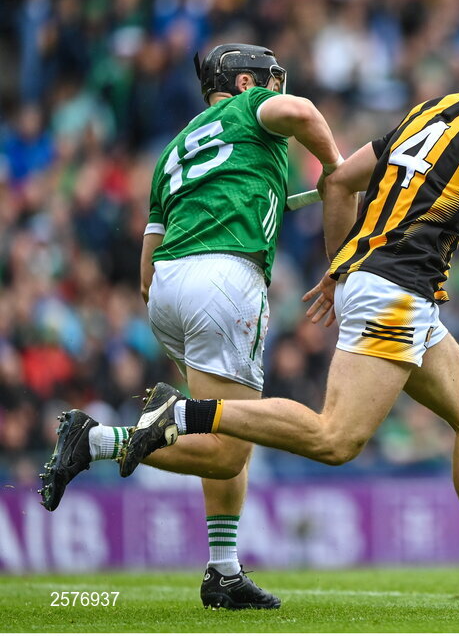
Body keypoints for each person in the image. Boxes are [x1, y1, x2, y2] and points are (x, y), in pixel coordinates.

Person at [104, 43, 459, 612]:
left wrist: (339, 267)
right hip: (397, 290)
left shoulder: (439, 109)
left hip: (393, 286)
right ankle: (182, 414)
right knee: (336, 439)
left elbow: (339, 181)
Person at [39, 43, 352, 610]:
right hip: (224, 278)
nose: (276, 87)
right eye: (267, 79)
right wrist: (335, 169)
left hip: (166, 291)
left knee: (233, 427)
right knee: (229, 446)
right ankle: (99, 439)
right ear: (241, 83)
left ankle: (223, 571)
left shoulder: (173, 150)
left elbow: (144, 268)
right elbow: (303, 115)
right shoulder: (251, 109)